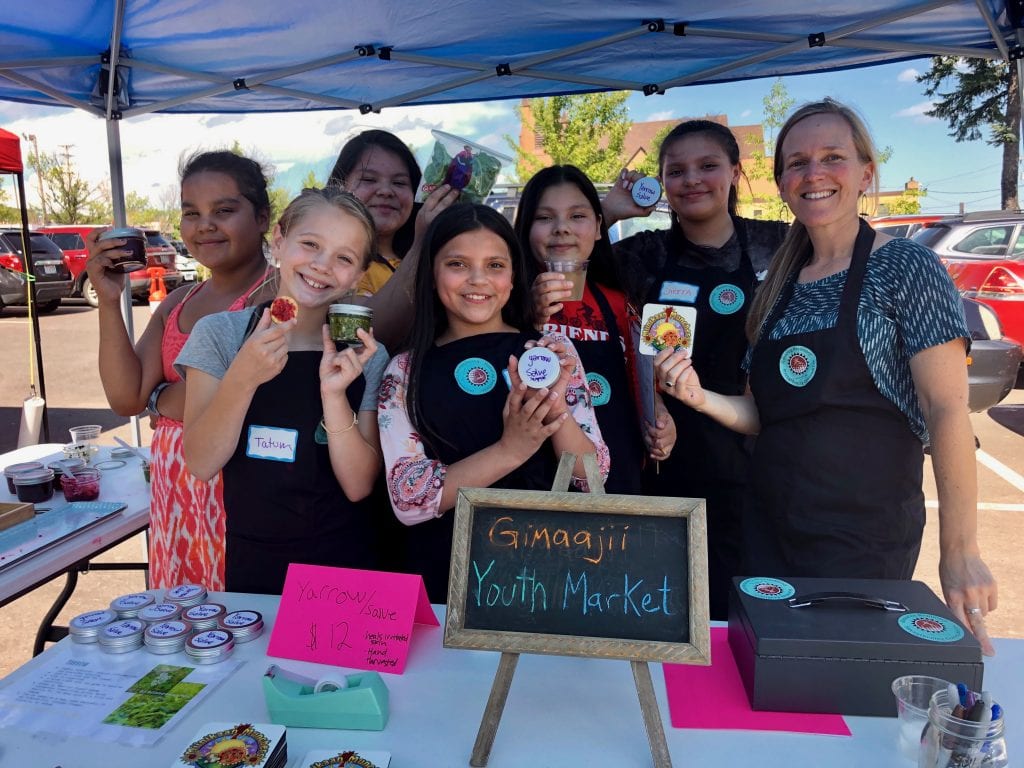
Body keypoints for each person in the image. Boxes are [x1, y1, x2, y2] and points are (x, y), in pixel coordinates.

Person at [654, 99, 998, 653]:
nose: (813, 174)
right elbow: (764, 415)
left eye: (832, 157)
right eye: (797, 163)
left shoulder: (908, 267)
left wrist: (959, 550)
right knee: (769, 689)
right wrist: (701, 398)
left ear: (865, 173)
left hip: (863, 539)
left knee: (842, 693)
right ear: (782, 182)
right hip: (766, 529)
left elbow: (947, 411)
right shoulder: (777, 284)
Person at [599, 120, 789, 619]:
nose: (692, 180)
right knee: (672, 602)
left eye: (708, 166)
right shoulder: (642, 254)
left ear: (734, 172)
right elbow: (561, 255)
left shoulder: (781, 245)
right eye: (676, 171)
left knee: (746, 609)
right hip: (666, 457)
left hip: (757, 453)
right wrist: (609, 211)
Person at [378, 203, 610, 601]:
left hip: (548, 576)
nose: (478, 279)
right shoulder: (404, 370)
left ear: (515, 274)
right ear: (431, 273)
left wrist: (555, 408)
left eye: (495, 265)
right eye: (457, 264)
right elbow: (409, 500)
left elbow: (593, 479)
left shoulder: (550, 351)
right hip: (445, 582)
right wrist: (511, 449)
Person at [176, 188, 388, 595]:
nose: (322, 265)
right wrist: (243, 377)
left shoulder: (367, 354)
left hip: (349, 570)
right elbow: (201, 461)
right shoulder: (220, 334)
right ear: (278, 242)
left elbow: (359, 486)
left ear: (358, 276)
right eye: (310, 244)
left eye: (344, 258)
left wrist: (334, 395)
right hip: (257, 569)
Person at [86, 150, 276, 590]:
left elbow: (246, 395)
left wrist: (160, 398)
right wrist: (110, 298)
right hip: (176, 499)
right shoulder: (180, 301)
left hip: (236, 490)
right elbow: (124, 397)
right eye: (191, 213)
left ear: (263, 217)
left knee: (235, 619)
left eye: (224, 210)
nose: (204, 225)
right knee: (185, 625)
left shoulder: (277, 298)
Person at [515, 164, 675, 493]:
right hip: (537, 487)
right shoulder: (507, 298)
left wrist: (660, 419)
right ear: (525, 228)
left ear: (599, 227)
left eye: (577, 216)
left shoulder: (620, 300)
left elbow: (641, 380)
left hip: (619, 476)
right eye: (544, 218)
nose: (561, 229)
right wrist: (526, 317)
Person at [328, 129, 459, 349]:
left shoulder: (437, 259)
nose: (386, 191)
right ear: (339, 186)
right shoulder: (328, 263)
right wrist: (421, 243)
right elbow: (360, 338)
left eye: (399, 183)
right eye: (369, 179)